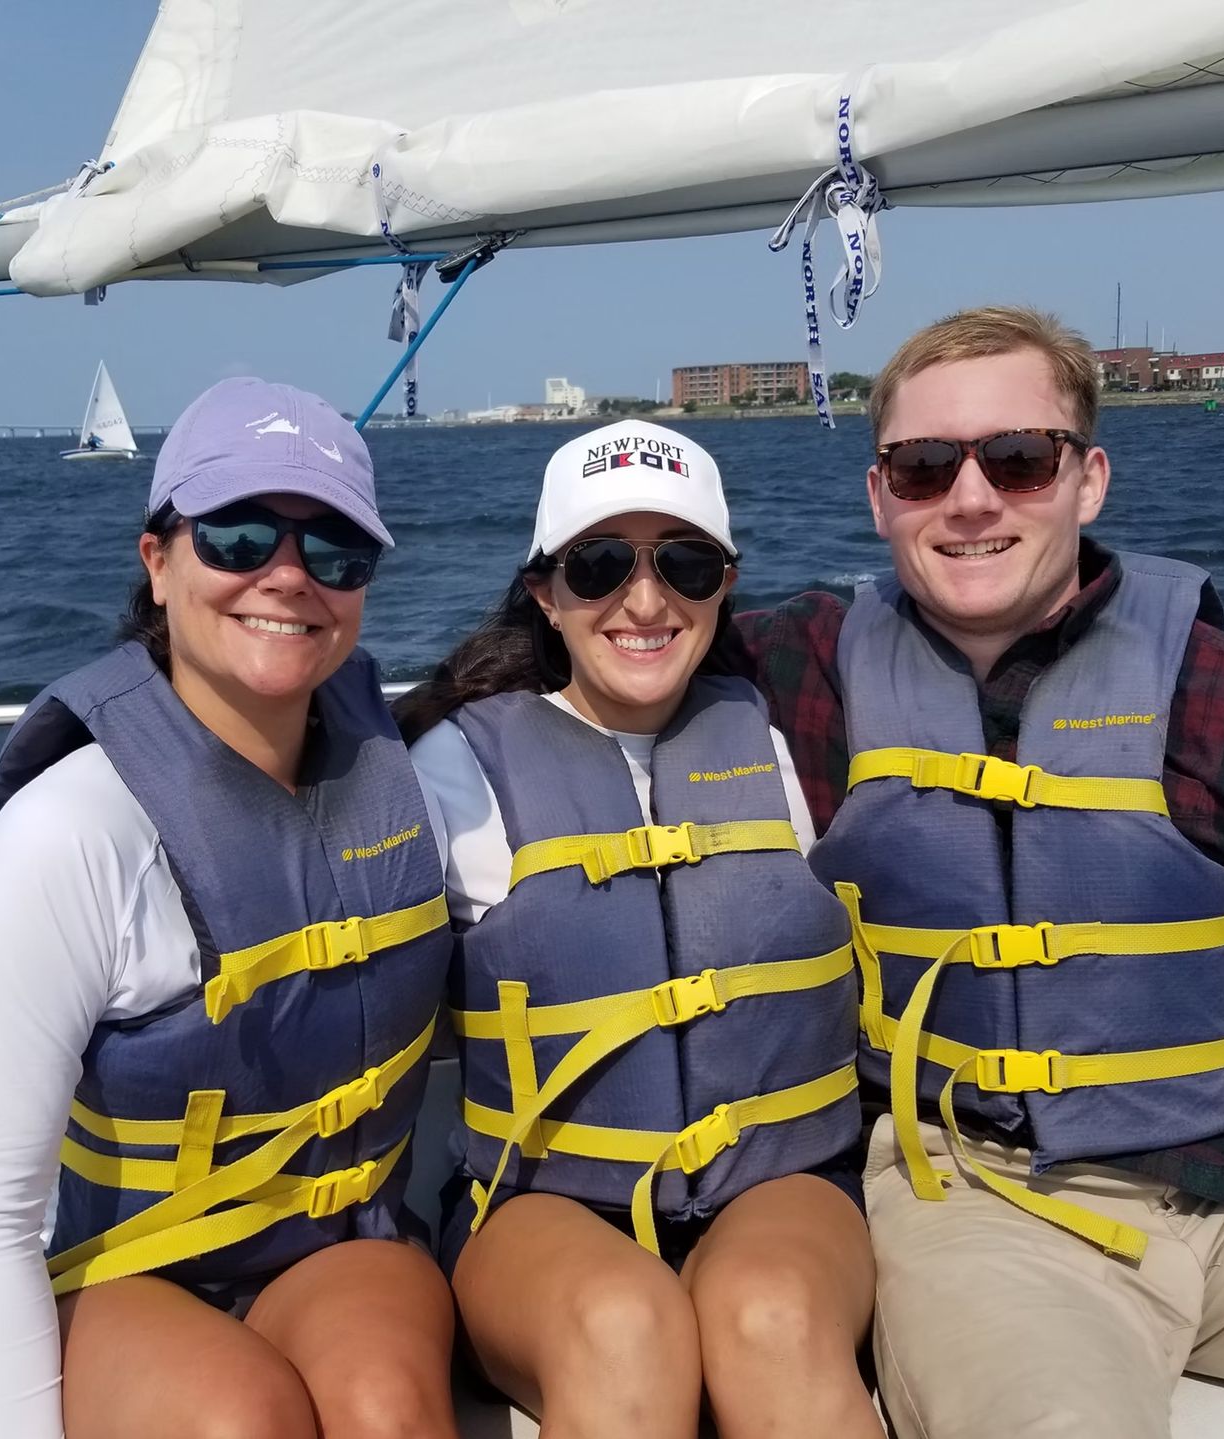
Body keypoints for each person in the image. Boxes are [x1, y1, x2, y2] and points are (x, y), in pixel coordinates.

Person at [736, 304, 1224, 1438]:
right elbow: (586, 637)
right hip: (983, 1207)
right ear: (880, 495)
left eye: (1018, 457)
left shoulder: (1220, 698)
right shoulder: (804, 667)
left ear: (1088, 478)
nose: (972, 495)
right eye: (924, 464)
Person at [0, 378, 459, 1439]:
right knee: (237, 1418)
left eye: (336, 551)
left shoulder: (415, 783)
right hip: (121, 1271)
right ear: (158, 559)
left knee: (389, 1410)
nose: (290, 576)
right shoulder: (66, 837)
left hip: (333, 1244)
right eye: (240, 535)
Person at [397, 420, 885, 1439]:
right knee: (625, 1326)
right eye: (601, 563)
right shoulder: (449, 771)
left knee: (776, 1319)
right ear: (545, 589)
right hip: (539, 1203)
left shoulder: (799, 733)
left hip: (783, 1179)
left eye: (686, 562)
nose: (648, 598)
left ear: (724, 584)